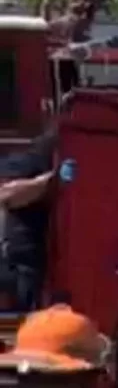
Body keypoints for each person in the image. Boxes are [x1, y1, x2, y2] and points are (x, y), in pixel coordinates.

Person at [0, 127, 59, 314]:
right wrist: (49, 181)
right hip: (20, 265)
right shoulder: (28, 162)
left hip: (49, 266)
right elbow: (7, 195)